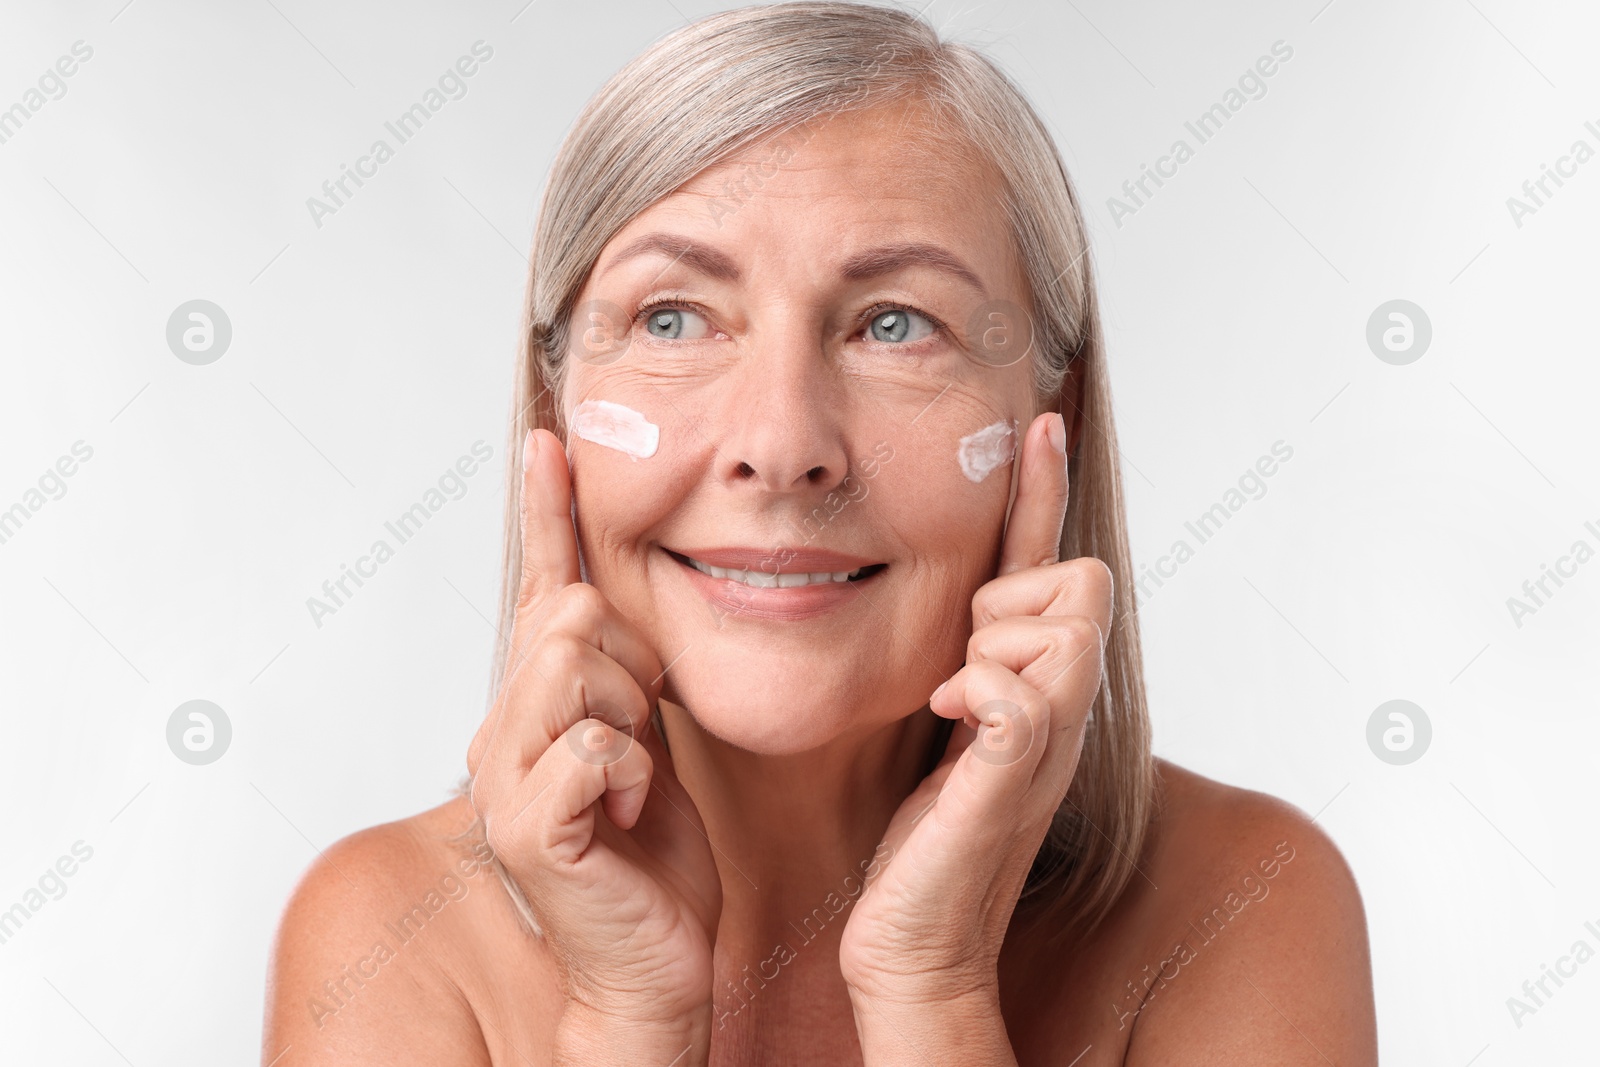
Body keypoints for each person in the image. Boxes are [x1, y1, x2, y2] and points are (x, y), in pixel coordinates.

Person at [263, 4, 1376, 1063]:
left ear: (1055, 425)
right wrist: (629, 1019)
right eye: (673, 317)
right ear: (553, 408)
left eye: (896, 325)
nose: (782, 442)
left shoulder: (1236, 899)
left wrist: (928, 988)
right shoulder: (381, 936)